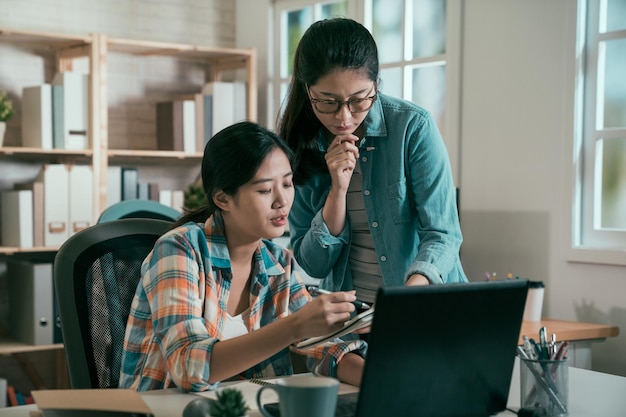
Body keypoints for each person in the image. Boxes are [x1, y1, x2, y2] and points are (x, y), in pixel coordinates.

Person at [119, 121, 366, 392]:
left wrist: (386, 381)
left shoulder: (278, 263)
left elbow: (325, 348)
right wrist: (294, 327)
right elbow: (189, 367)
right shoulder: (179, 249)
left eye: (287, 183)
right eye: (264, 190)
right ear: (223, 199)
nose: (281, 201)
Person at [278, 18, 467, 305]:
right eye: (328, 102)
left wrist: (405, 298)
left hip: (424, 308)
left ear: (376, 84)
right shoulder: (299, 146)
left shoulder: (412, 128)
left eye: (358, 100)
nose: (344, 118)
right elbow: (313, 265)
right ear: (308, 91)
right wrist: (337, 191)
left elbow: (443, 235)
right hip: (351, 319)